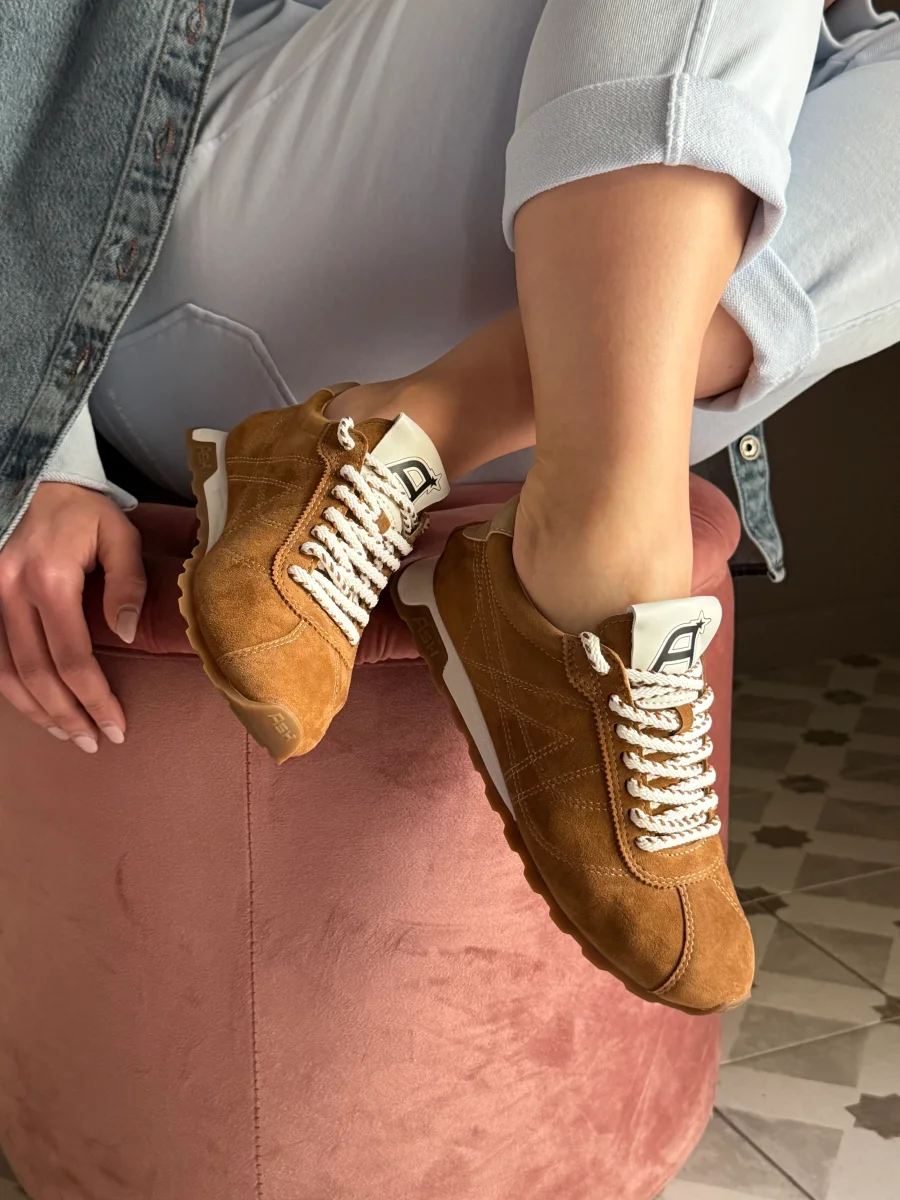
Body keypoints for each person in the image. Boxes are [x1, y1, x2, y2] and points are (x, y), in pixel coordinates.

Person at [1, 0, 898, 1011]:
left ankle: (439, 431)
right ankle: (595, 551)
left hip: (605, 320)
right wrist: (37, 454)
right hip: (187, 243)